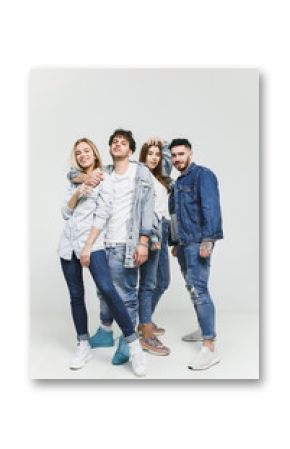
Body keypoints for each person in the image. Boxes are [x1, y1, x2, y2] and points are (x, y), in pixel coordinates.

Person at [58, 138, 147, 377]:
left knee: (108, 289)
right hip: (67, 246)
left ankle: (133, 345)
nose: (83, 155)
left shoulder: (104, 180)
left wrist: (87, 247)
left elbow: (103, 215)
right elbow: (66, 213)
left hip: (93, 244)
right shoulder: (75, 178)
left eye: (87, 151)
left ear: (95, 153)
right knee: (76, 296)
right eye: (78, 152)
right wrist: (78, 191)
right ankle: (83, 344)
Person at [168, 138, 223, 370]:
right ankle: (203, 328)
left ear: (190, 153)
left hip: (198, 241)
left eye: (181, 154)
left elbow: (211, 207)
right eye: (173, 155)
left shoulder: (203, 175)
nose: (177, 159)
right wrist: (174, 241)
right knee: (192, 288)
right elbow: (175, 214)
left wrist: (208, 239)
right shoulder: (178, 182)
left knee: (200, 290)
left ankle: (209, 346)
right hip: (182, 243)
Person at [137, 138, 171, 355]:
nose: (155, 157)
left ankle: (144, 319)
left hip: (164, 230)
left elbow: (167, 162)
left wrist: (163, 145)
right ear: (143, 156)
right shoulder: (140, 175)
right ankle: (146, 333)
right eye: (150, 153)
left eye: (157, 154)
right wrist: (150, 236)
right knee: (148, 283)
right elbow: (142, 209)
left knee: (163, 280)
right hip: (151, 231)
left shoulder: (159, 177)